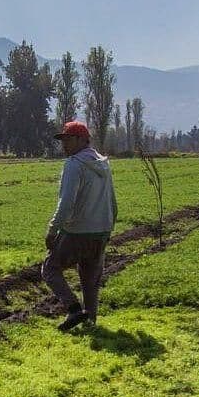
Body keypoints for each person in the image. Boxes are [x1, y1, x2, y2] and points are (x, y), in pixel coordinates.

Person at [42, 120, 117, 331]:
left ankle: (73, 308)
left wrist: (52, 229)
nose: (64, 144)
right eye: (62, 140)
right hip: (102, 229)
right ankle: (90, 323)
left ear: (82, 140)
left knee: (49, 269)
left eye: (68, 139)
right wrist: (109, 228)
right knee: (90, 279)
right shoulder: (104, 164)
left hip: (78, 230)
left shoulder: (74, 164)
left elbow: (66, 204)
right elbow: (112, 201)